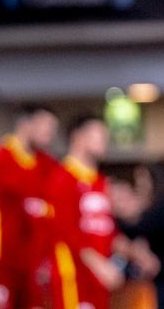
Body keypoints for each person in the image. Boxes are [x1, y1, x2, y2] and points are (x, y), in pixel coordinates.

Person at [0, 104, 59, 309]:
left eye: (53, 128)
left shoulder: (48, 164)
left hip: (31, 262)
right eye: (45, 126)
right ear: (25, 124)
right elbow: (20, 204)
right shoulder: (1, 156)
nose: (50, 133)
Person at [47, 115, 123, 309]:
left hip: (98, 278)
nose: (104, 141)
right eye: (98, 135)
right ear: (78, 137)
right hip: (73, 274)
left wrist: (133, 252)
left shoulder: (99, 181)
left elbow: (107, 229)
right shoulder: (62, 177)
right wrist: (99, 265)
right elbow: (67, 230)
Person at [121, 164, 164, 309]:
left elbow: (137, 228)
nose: (139, 185)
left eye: (142, 179)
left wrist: (116, 216)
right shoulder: (158, 209)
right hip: (159, 281)